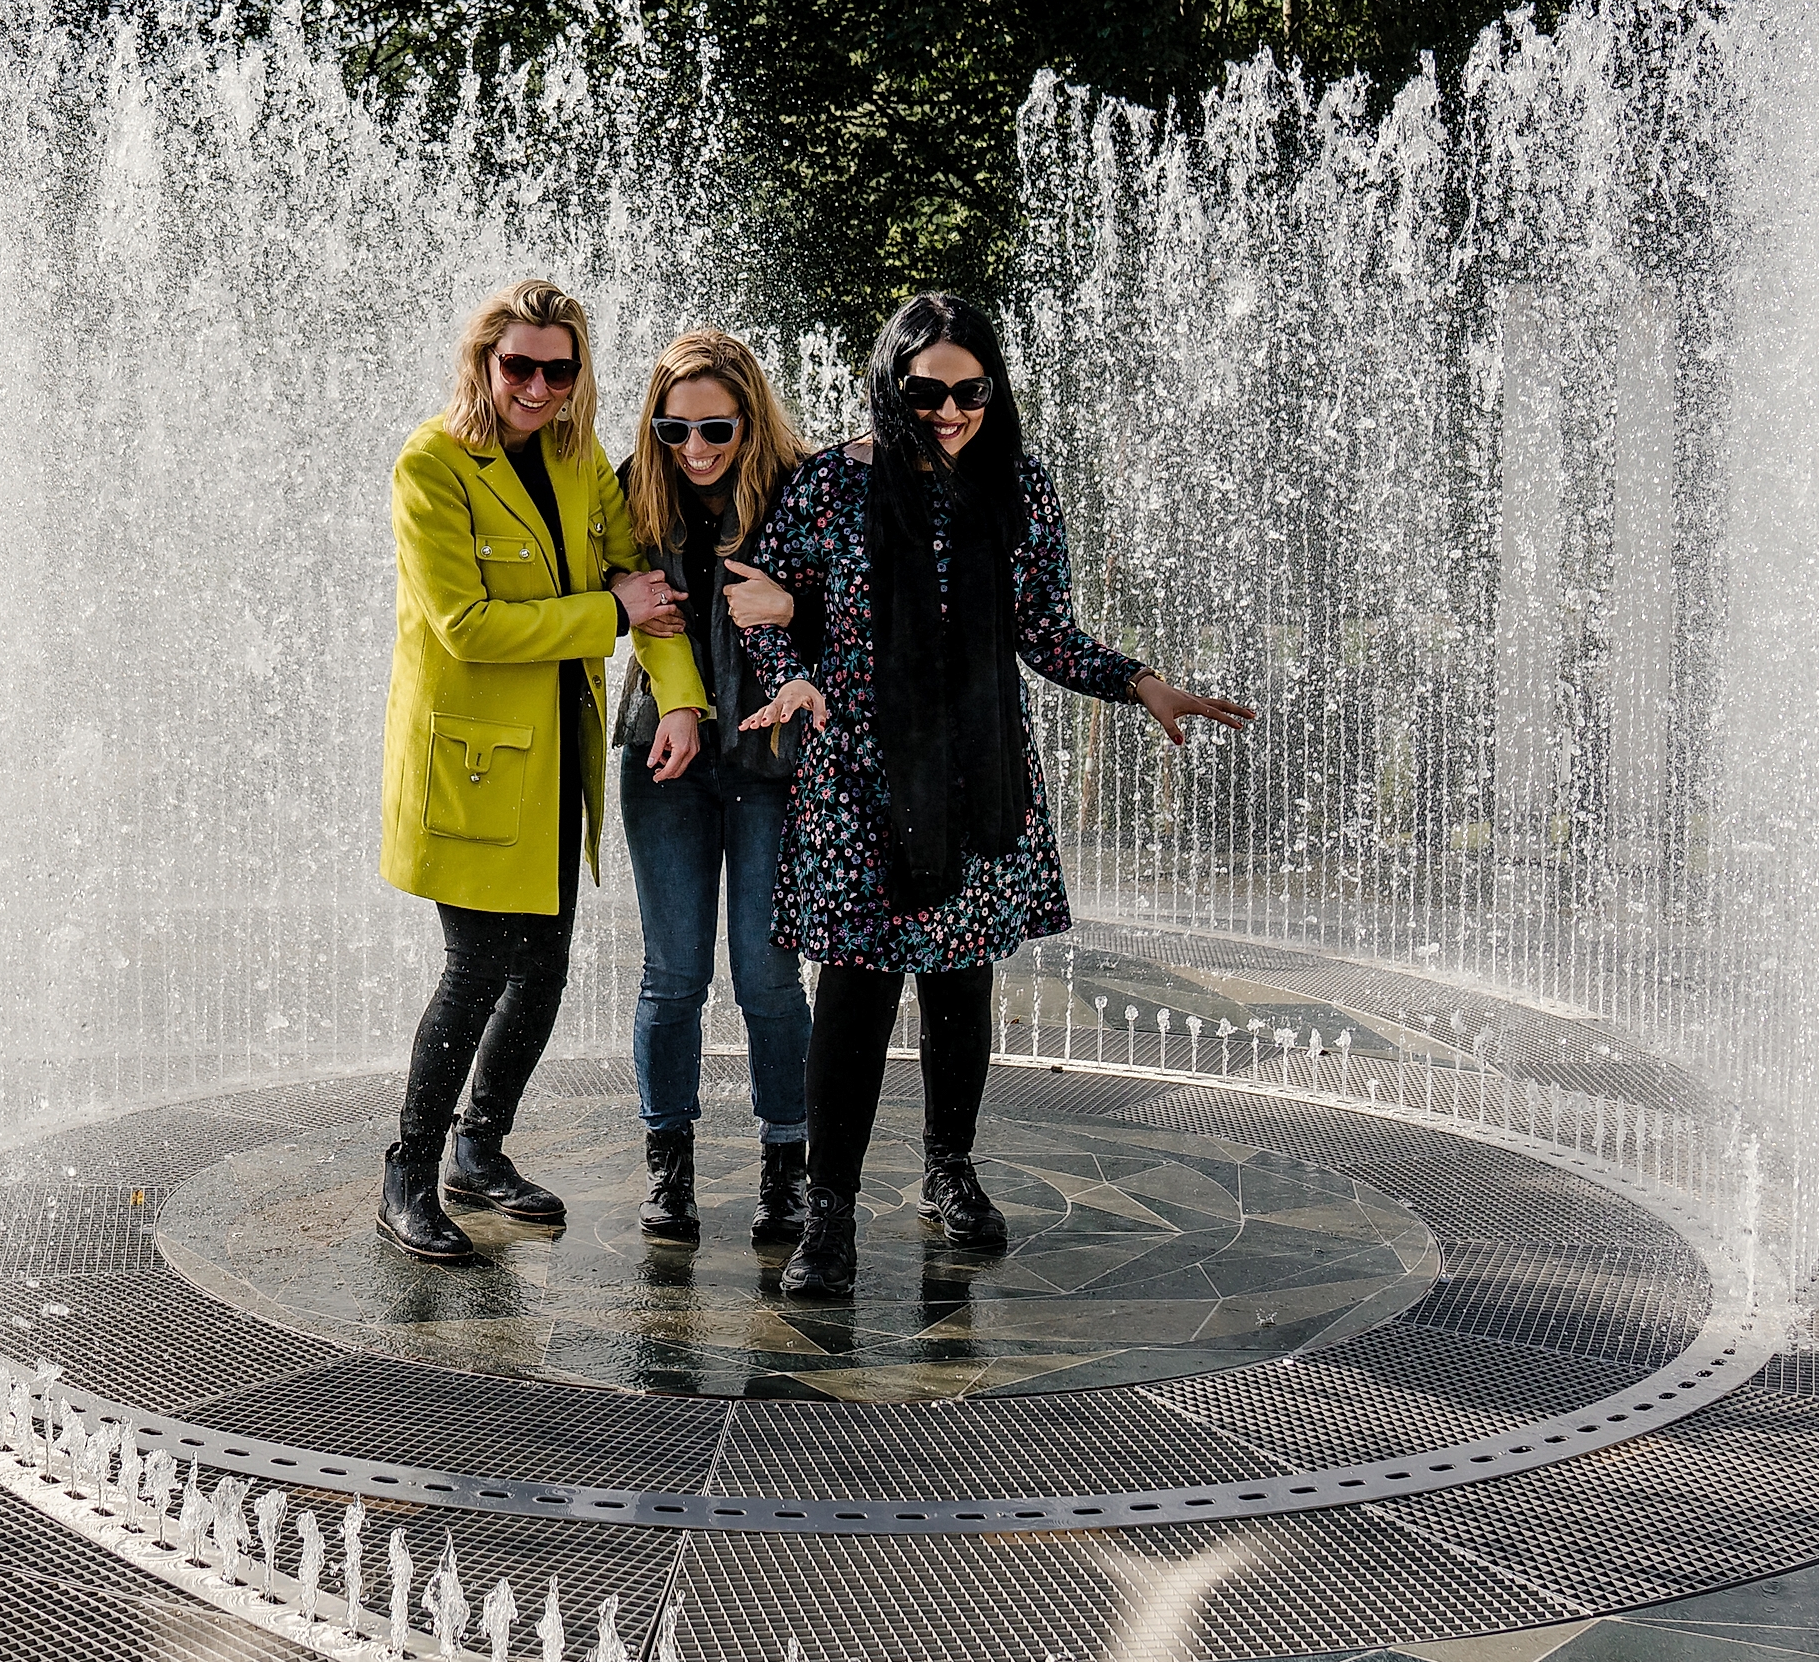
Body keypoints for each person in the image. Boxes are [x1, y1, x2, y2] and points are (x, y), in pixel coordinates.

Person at [739, 293, 1255, 1299]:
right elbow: (759, 597)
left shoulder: (1015, 485)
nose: (946, 409)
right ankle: (831, 1216)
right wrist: (785, 670)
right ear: (891, 382)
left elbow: (1046, 632)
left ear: (991, 388)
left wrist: (1137, 679)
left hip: (978, 772)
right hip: (854, 777)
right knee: (854, 990)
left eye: (968, 389)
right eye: (925, 389)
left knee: (960, 981)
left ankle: (949, 1168)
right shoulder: (830, 487)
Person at [375, 278, 705, 1263]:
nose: (538, 386)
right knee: (477, 966)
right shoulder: (432, 464)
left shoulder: (575, 458)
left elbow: (644, 578)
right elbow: (467, 626)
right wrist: (609, 613)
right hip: (470, 766)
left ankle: (480, 1148)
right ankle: (408, 1171)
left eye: (559, 369)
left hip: (556, 754)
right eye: (519, 364)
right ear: (484, 360)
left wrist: (680, 696)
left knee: (547, 963)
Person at [616, 329, 818, 1246]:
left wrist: (796, 610)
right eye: (673, 429)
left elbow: (866, 597)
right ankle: (670, 1164)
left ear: (752, 418)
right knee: (674, 973)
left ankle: (788, 1167)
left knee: (768, 975)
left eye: (715, 430)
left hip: (775, 762)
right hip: (665, 758)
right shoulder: (629, 488)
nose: (693, 450)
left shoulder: (805, 488)